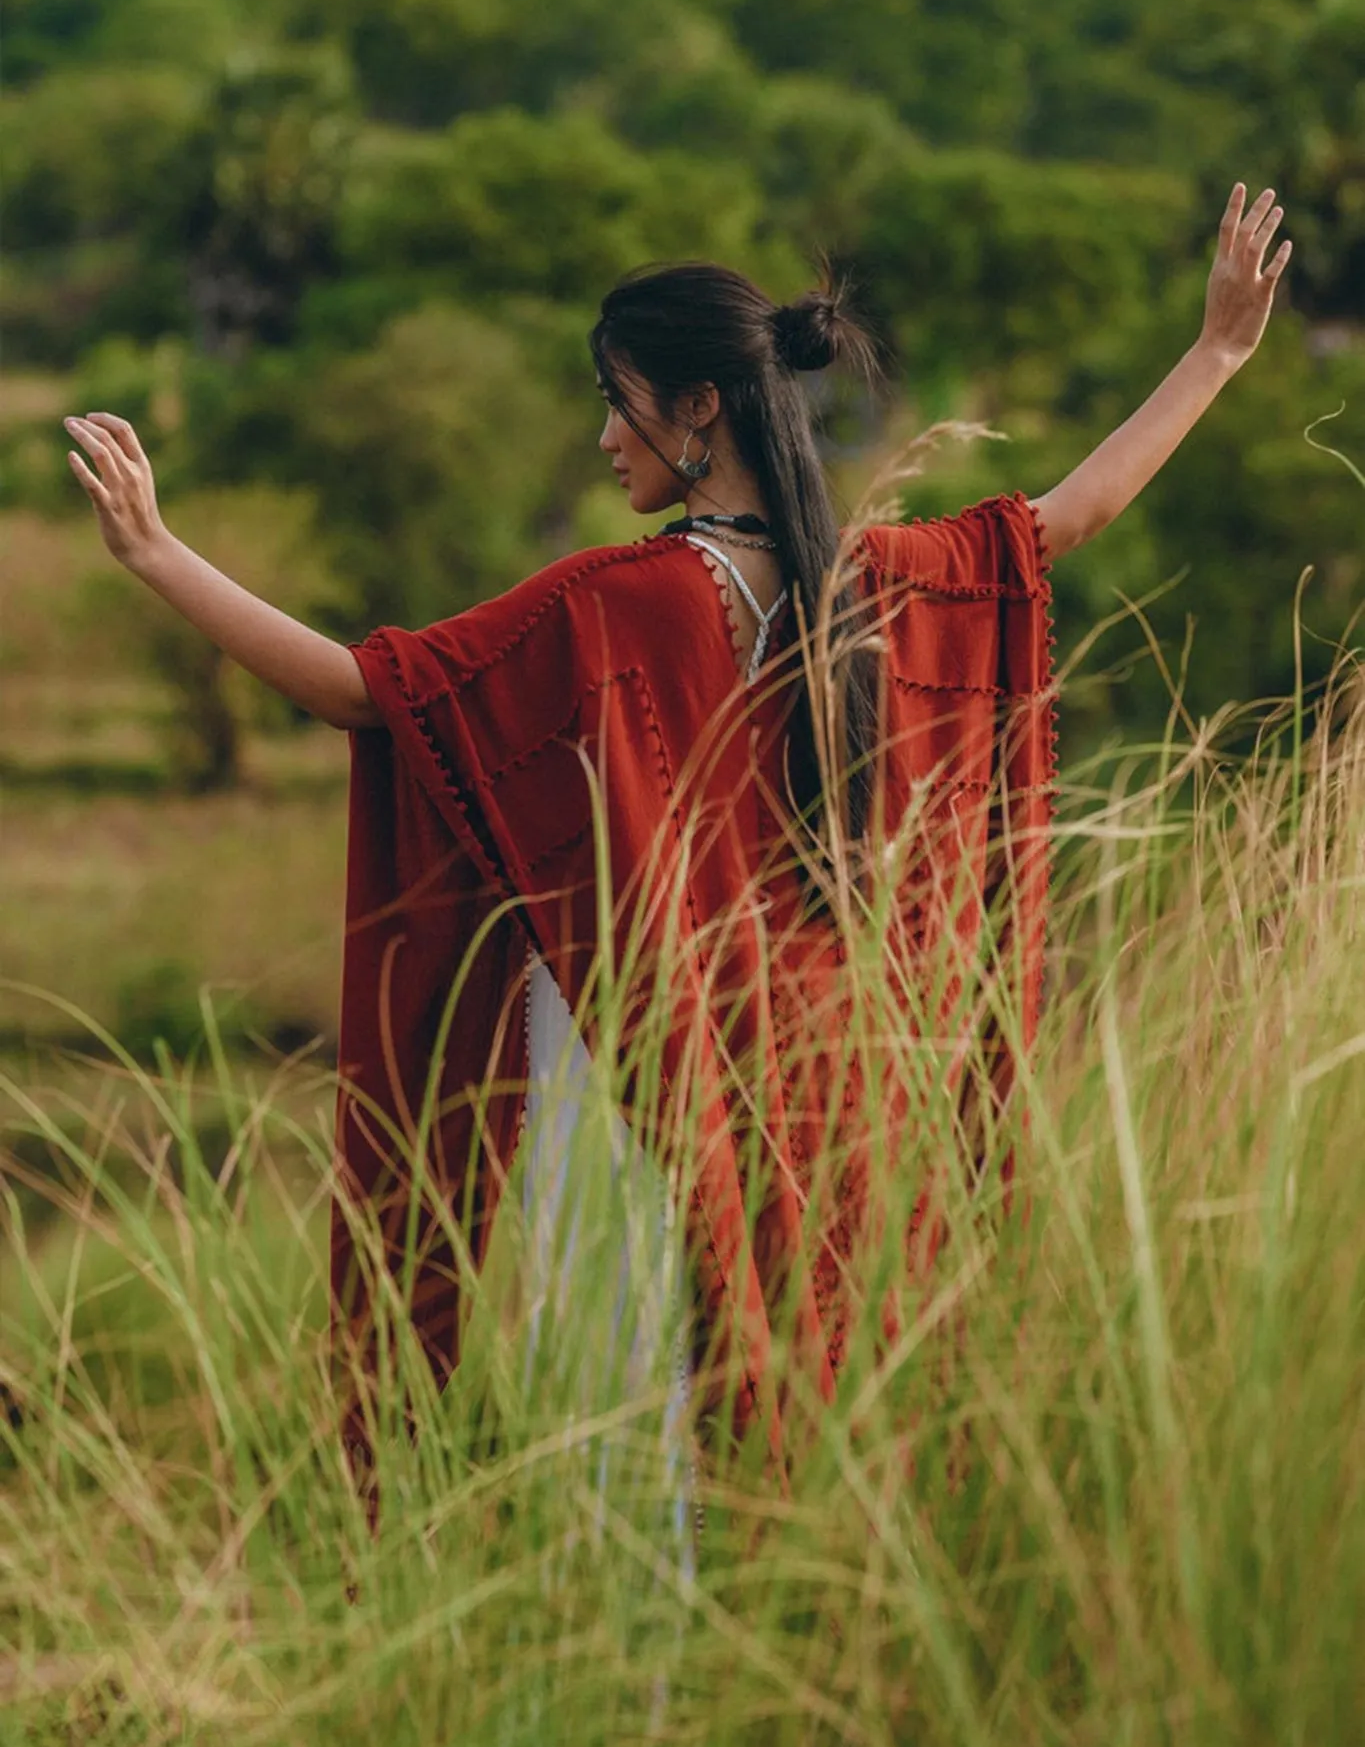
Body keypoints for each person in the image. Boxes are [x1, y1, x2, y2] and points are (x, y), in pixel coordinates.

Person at [63, 182, 1290, 1468]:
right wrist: (1215, 350)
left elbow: (363, 692)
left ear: (699, 406)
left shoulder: (613, 604)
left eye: (618, 396)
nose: (605, 437)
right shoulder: (883, 581)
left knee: (637, 1447)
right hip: (841, 1090)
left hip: (647, 1099)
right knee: (818, 1426)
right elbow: (1067, 516)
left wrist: (157, 552)